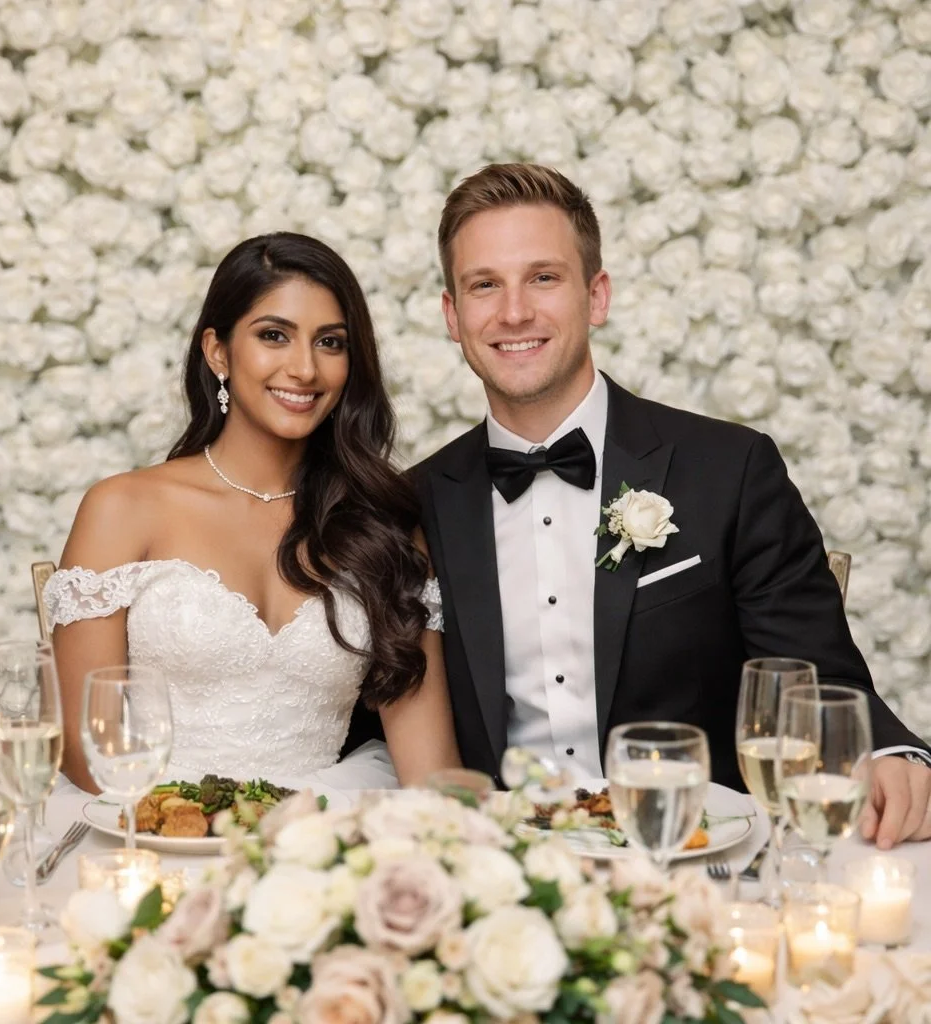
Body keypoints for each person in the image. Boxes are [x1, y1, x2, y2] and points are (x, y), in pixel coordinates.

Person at [411, 162, 931, 849]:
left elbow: (818, 675)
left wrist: (893, 754)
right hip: (506, 877)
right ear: (453, 315)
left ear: (596, 296)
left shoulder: (731, 470)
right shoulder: (412, 504)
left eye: (543, 277)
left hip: (699, 860)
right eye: (485, 285)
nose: (514, 312)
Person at [45, 232, 461, 793]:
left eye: (330, 343)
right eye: (274, 336)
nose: (305, 369)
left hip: (318, 846)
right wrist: (209, 836)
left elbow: (429, 770)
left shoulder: (381, 525)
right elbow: (85, 751)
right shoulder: (123, 508)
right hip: (152, 837)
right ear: (218, 351)